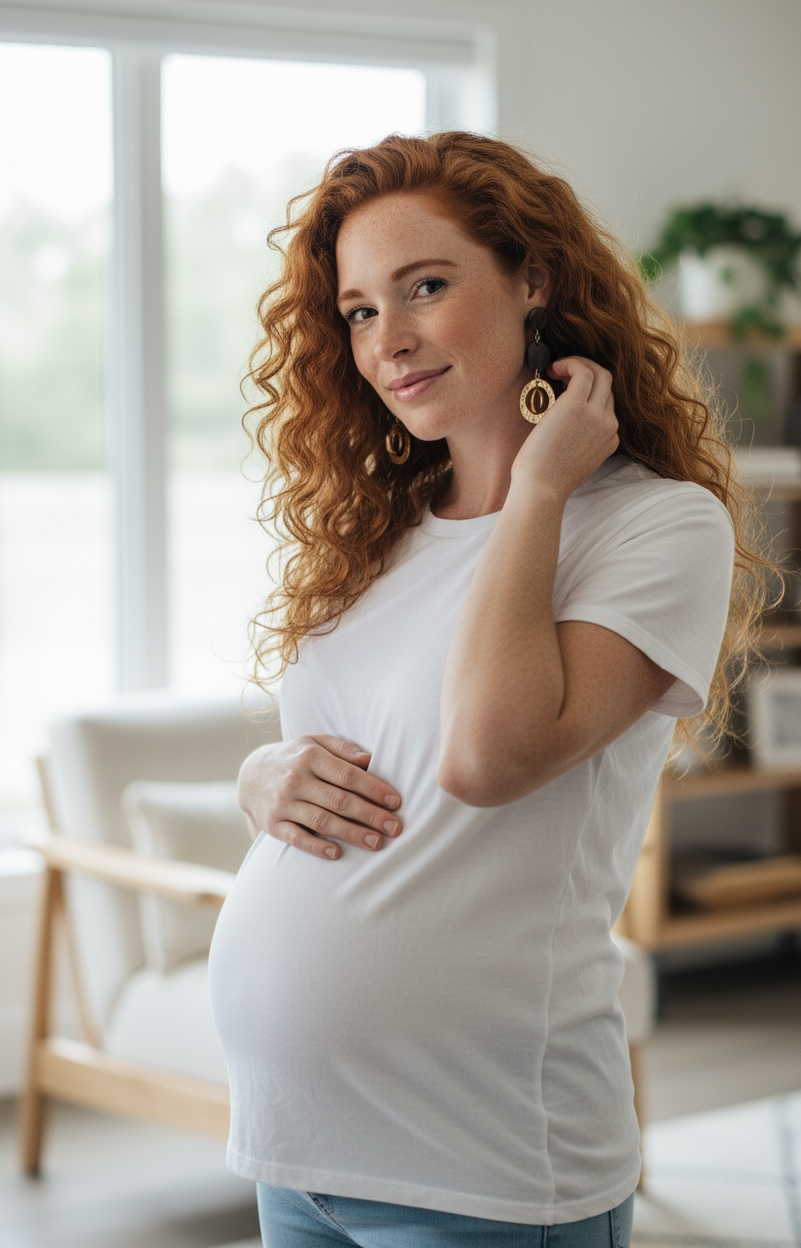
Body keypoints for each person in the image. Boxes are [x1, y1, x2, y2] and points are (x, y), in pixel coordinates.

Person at [208, 131, 770, 1248]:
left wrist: (543, 483)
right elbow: (356, 749)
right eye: (361, 310)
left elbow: (488, 755)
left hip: (486, 1169)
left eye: (426, 286)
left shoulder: (654, 525)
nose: (390, 338)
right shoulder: (376, 535)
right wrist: (259, 778)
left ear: (532, 281)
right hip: (293, 1151)